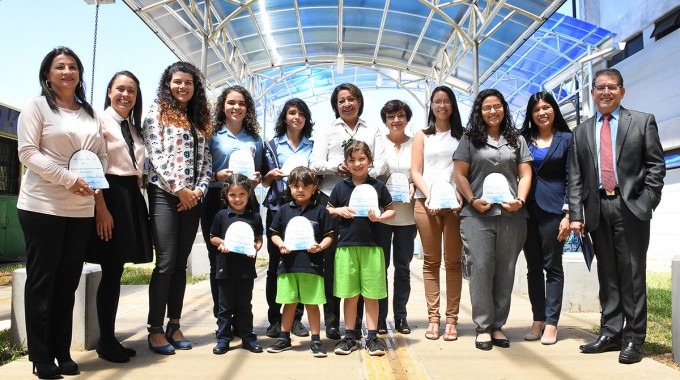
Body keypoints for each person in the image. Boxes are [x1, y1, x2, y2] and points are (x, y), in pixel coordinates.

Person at [17, 46, 106, 378]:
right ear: (47, 75)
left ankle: (61, 350)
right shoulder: (37, 106)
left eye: (73, 67)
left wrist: (96, 181)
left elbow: (101, 154)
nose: (67, 72)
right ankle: (40, 356)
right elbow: (27, 152)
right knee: (42, 281)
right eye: (60, 67)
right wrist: (68, 179)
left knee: (68, 282)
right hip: (42, 206)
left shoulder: (90, 113)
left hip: (80, 209)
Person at [569, 68, 665, 364]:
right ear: (593, 92)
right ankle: (611, 332)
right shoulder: (581, 131)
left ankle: (635, 339)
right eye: (600, 87)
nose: (606, 92)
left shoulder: (641, 121)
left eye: (612, 87)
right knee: (607, 273)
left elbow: (656, 166)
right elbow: (575, 176)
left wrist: (647, 200)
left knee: (632, 274)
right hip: (597, 208)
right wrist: (575, 214)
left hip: (631, 208)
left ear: (622, 91)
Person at [453, 88, 532, 351]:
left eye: (497, 106)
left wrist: (519, 201)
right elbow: (460, 174)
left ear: (504, 108)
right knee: (482, 267)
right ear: (479, 111)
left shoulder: (516, 139)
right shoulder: (469, 139)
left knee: (506, 270)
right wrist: (472, 199)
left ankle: (498, 326)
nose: (492, 111)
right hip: (477, 216)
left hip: (512, 215)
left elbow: (525, 172)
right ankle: (483, 327)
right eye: (487, 107)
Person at [144, 61, 212, 355]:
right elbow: (155, 155)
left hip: (192, 199)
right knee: (166, 261)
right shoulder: (156, 112)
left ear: (195, 87)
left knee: (180, 264)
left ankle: (174, 324)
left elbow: (206, 160)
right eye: (177, 82)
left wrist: (198, 190)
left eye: (188, 83)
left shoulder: (198, 119)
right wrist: (179, 190)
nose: (182, 87)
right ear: (167, 83)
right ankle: (155, 329)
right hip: (164, 194)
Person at [309, 83, 387, 339]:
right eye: (341, 100)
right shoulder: (327, 130)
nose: (347, 104)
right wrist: (338, 168)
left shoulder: (372, 129)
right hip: (333, 198)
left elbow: (382, 161)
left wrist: (363, 175)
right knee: (333, 264)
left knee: (363, 265)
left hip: (367, 206)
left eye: (351, 98)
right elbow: (315, 163)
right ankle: (332, 321)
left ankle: (362, 326)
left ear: (360, 101)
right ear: (336, 105)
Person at [87, 71, 153, 363]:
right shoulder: (97, 121)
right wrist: (101, 208)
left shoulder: (135, 129)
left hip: (130, 195)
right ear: (109, 91)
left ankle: (110, 337)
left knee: (116, 272)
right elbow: (91, 166)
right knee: (110, 269)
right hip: (108, 193)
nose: (126, 95)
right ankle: (105, 340)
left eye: (132, 91)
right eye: (120, 89)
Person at [200, 85, 263, 323]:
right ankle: (223, 318)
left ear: (247, 109)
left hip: (246, 202)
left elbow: (257, 172)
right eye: (231, 103)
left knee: (245, 257)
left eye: (241, 103)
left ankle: (242, 320)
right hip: (216, 201)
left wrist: (254, 180)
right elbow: (203, 170)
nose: (236, 107)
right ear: (222, 106)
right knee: (218, 259)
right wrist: (217, 176)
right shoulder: (212, 135)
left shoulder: (255, 139)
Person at [327, 140, 395, 356]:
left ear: (370, 161)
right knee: (350, 295)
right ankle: (349, 337)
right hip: (346, 247)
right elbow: (328, 210)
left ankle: (373, 338)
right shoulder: (341, 187)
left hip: (373, 248)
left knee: (372, 295)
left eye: (362, 159)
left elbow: (391, 210)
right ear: (346, 163)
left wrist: (380, 217)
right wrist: (340, 210)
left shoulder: (378, 186)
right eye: (352, 160)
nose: (357, 163)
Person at [411, 86, 465, 341]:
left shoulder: (464, 136)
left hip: (455, 206)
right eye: (437, 101)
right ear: (431, 106)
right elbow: (416, 171)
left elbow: (466, 172)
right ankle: (433, 318)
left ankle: (452, 319)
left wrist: (460, 196)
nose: (441, 106)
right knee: (431, 262)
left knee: (453, 263)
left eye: (446, 101)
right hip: (426, 203)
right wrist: (430, 194)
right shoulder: (422, 135)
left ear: (453, 105)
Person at [519, 91, 571, 346]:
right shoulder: (523, 139)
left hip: (554, 211)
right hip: (526, 210)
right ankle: (537, 318)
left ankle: (551, 323)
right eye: (536, 109)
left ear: (554, 110)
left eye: (546, 107)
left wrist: (569, 213)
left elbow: (575, 176)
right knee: (532, 268)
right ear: (531, 114)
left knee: (553, 266)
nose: (542, 112)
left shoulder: (567, 139)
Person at [266, 167, 334, 357]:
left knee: (312, 304)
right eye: (296, 186)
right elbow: (274, 234)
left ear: (315, 188)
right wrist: (281, 245)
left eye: (305, 186)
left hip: (311, 267)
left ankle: (315, 339)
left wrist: (320, 247)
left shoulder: (320, 211)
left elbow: (329, 236)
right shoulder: (284, 210)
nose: (300, 190)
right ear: (289, 187)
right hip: (287, 266)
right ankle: (284, 337)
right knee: (289, 303)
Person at [261, 98, 315, 339]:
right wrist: (271, 176)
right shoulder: (271, 146)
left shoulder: (312, 146)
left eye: (301, 113)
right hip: (278, 209)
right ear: (284, 117)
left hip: (305, 211)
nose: (297, 117)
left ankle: (296, 319)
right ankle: (275, 318)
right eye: (292, 113)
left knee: (302, 265)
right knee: (276, 267)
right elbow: (262, 181)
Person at [209, 174, 264, 355]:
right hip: (225, 268)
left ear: (249, 194)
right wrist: (222, 243)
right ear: (226, 195)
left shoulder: (254, 217)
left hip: (246, 270)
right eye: (233, 195)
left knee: (244, 305)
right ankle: (223, 338)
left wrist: (256, 247)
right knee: (225, 307)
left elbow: (258, 239)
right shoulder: (221, 216)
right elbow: (213, 238)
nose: (237, 199)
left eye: (242, 194)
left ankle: (247, 337)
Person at [376, 100, 417, 335]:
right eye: (390, 116)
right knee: (380, 268)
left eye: (400, 115)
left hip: (407, 217)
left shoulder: (415, 144)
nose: (396, 120)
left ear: (407, 118)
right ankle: (380, 318)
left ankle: (401, 317)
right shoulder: (379, 144)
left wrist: (412, 185)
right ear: (385, 120)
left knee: (402, 268)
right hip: (383, 216)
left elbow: (420, 172)